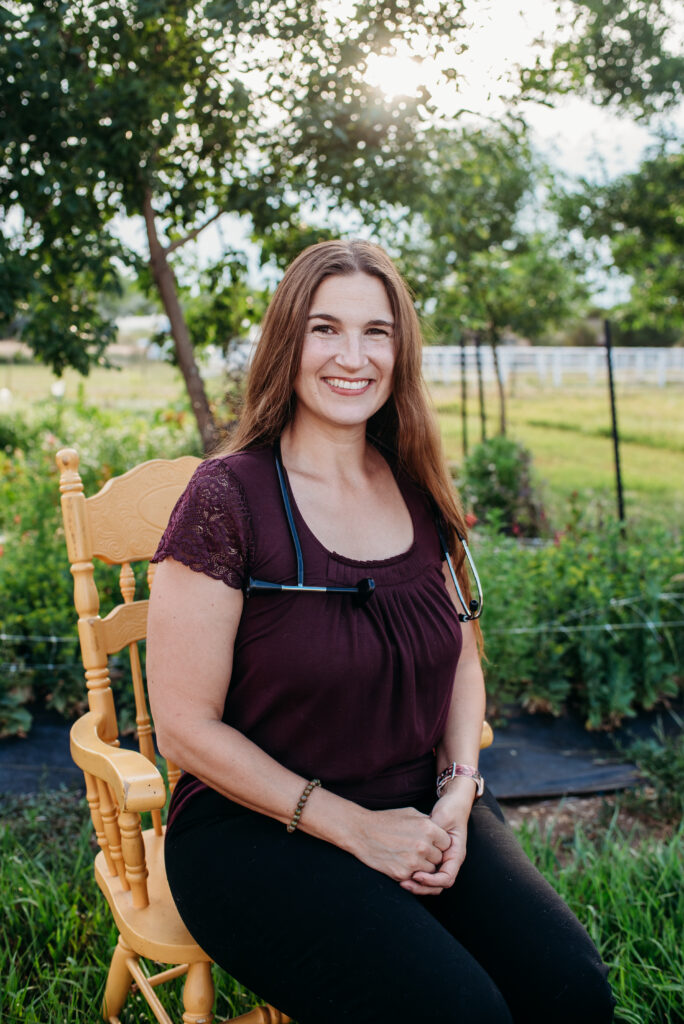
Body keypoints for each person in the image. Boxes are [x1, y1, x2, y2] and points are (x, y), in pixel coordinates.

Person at [147, 240, 615, 1024]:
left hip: (419, 804)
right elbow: (184, 729)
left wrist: (460, 793)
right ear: (287, 342)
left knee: (571, 992)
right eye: (325, 329)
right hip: (257, 830)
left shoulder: (414, 481)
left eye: (377, 333)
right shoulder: (228, 499)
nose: (352, 357)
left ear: (401, 352)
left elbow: (462, 653)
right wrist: (356, 829)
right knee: (457, 1012)